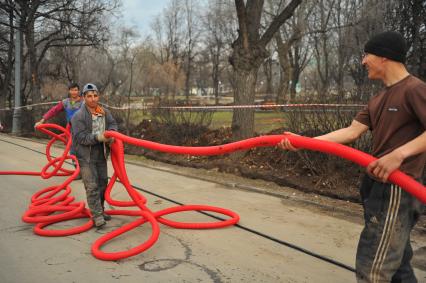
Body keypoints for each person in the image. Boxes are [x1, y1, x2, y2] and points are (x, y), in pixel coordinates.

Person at [279, 31, 426, 282]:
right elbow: (350, 133)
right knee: (398, 265)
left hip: (397, 190)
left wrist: (399, 155)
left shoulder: (415, 89)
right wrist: (302, 142)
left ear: (383, 57)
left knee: (373, 268)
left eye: (366, 54)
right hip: (376, 187)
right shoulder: (378, 99)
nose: (363, 61)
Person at [71, 83, 118, 228]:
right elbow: (80, 137)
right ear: (84, 97)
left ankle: (101, 210)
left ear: (99, 96)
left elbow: (113, 125)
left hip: (101, 154)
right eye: (89, 96)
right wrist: (98, 138)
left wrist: (112, 134)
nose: (92, 99)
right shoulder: (79, 116)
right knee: (92, 186)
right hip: (86, 156)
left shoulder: (105, 112)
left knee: (103, 183)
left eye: (95, 96)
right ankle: (97, 215)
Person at [35, 82, 84, 179]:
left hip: (82, 130)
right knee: (73, 152)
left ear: (79, 91)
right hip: (70, 131)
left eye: (76, 90)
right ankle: (78, 172)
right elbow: (54, 110)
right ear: (69, 91)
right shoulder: (65, 102)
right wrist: (42, 120)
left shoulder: (84, 102)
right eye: (72, 90)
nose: (74, 92)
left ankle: (86, 172)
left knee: (83, 152)